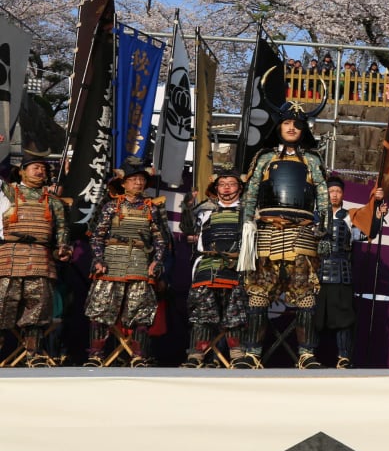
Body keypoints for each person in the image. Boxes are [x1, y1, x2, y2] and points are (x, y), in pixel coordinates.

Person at [239, 89, 332, 369]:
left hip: (301, 233)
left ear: (304, 130)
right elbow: (252, 194)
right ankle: (252, 353)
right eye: (287, 123)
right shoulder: (265, 158)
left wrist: (324, 231)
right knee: (258, 294)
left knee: (305, 295)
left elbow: (323, 198)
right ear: (279, 126)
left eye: (297, 125)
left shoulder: (312, 161)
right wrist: (246, 226)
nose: (292, 128)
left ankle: (306, 354)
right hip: (266, 232)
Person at [83, 158, 170, 367]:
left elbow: (160, 240)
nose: (138, 183)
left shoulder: (152, 208)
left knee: (141, 310)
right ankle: (95, 355)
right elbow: (97, 237)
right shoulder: (111, 207)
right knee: (100, 309)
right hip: (111, 262)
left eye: (141, 180)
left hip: (140, 262)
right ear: (123, 183)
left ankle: (138, 356)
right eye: (133, 179)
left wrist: (156, 262)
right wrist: (98, 259)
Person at [0, 147, 71, 367]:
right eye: (35, 167)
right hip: (10, 256)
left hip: (40, 258)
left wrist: (62, 248)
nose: (40, 171)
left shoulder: (53, 200)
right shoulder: (8, 192)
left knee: (38, 306)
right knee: (2, 303)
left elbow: (62, 229)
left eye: (43, 168)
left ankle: (34, 353)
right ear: (21, 171)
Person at [179, 169, 248, 368]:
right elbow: (188, 230)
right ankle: (197, 355)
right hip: (207, 266)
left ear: (240, 187)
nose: (227, 187)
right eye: (222, 183)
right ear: (215, 187)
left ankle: (235, 355)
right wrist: (187, 207)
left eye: (231, 183)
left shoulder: (249, 212)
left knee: (235, 312)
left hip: (236, 267)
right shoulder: (203, 210)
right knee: (203, 312)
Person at [315, 176, 386, 368]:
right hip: (316, 273)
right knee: (314, 316)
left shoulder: (349, 216)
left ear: (343, 194)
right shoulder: (315, 216)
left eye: (338, 191)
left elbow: (367, 233)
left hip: (341, 273)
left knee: (344, 318)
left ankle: (343, 357)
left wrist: (377, 217)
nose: (334, 195)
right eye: (331, 191)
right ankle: (308, 355)